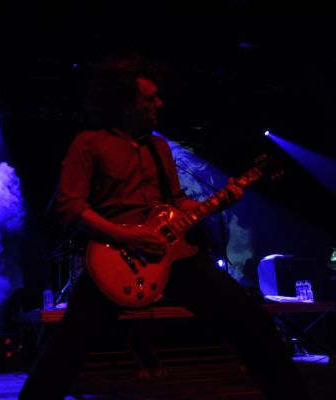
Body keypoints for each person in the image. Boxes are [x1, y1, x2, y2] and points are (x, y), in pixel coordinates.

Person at [19, 55, 311, 399]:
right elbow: (71, 206)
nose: (159, 103)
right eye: (149, 98)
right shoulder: (89, 143)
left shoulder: (158, 147)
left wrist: (219, 201)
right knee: (65, 349)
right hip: (114, 257)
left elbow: (175, 202)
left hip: (171, 256)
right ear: (125, 104)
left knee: (252, 321)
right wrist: (126, 235)